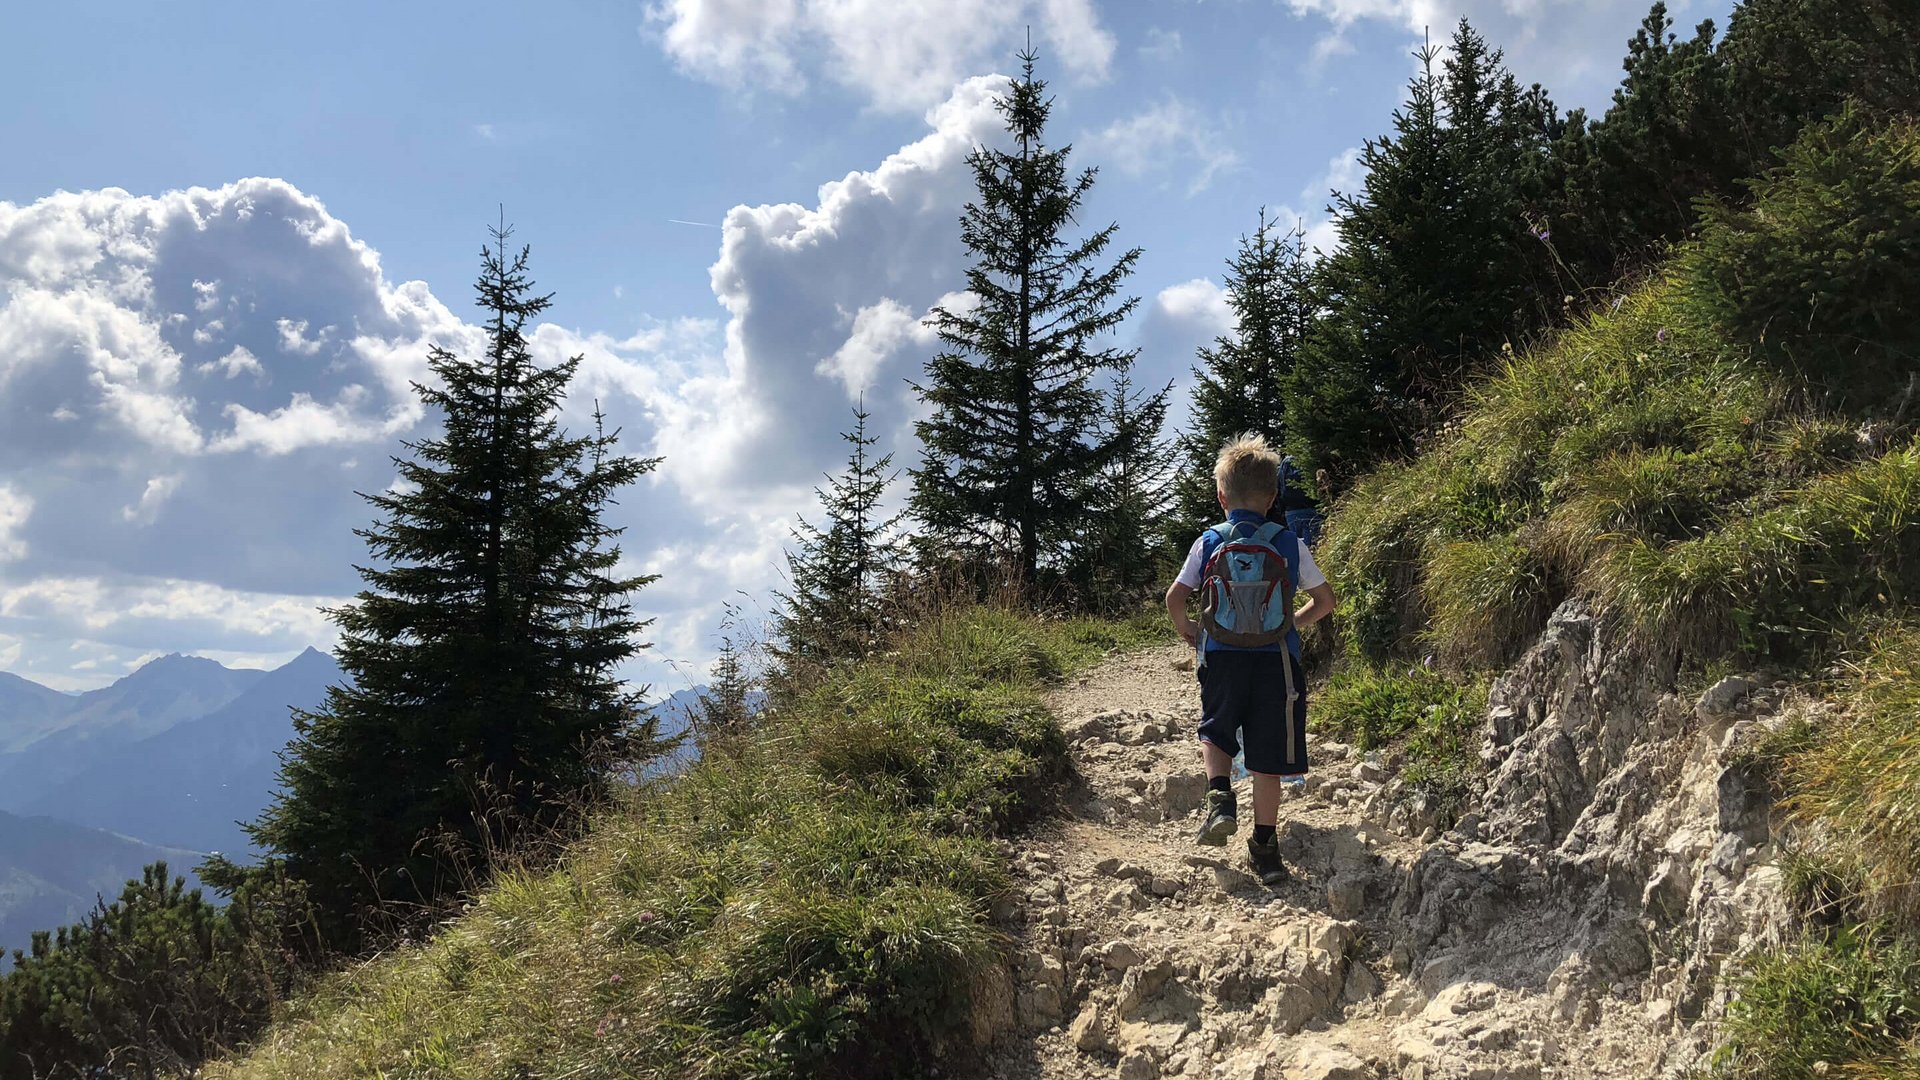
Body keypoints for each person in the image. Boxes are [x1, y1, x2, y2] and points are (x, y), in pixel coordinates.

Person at [1164, 434, 1337, 884]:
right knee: (1266, 758)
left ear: (1222, 497)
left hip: (1221, 656)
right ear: (1274, 496)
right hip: (1275, 661)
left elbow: (1175, 598)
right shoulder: (1289, 543)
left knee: (1216, 729)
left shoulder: (1207, 541)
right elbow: (1325, 601)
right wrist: (1289, 624)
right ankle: (1265, 849)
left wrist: (1193, 634)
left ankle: (1220, 795)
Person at [1277, 454, 1324, 547]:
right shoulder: (1310, 458)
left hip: (1291, 512)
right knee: (1315, 548)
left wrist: (1282, 510)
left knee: (1298, 548)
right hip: (1312, 510)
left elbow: (1279, 487)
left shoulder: (1285, 463)